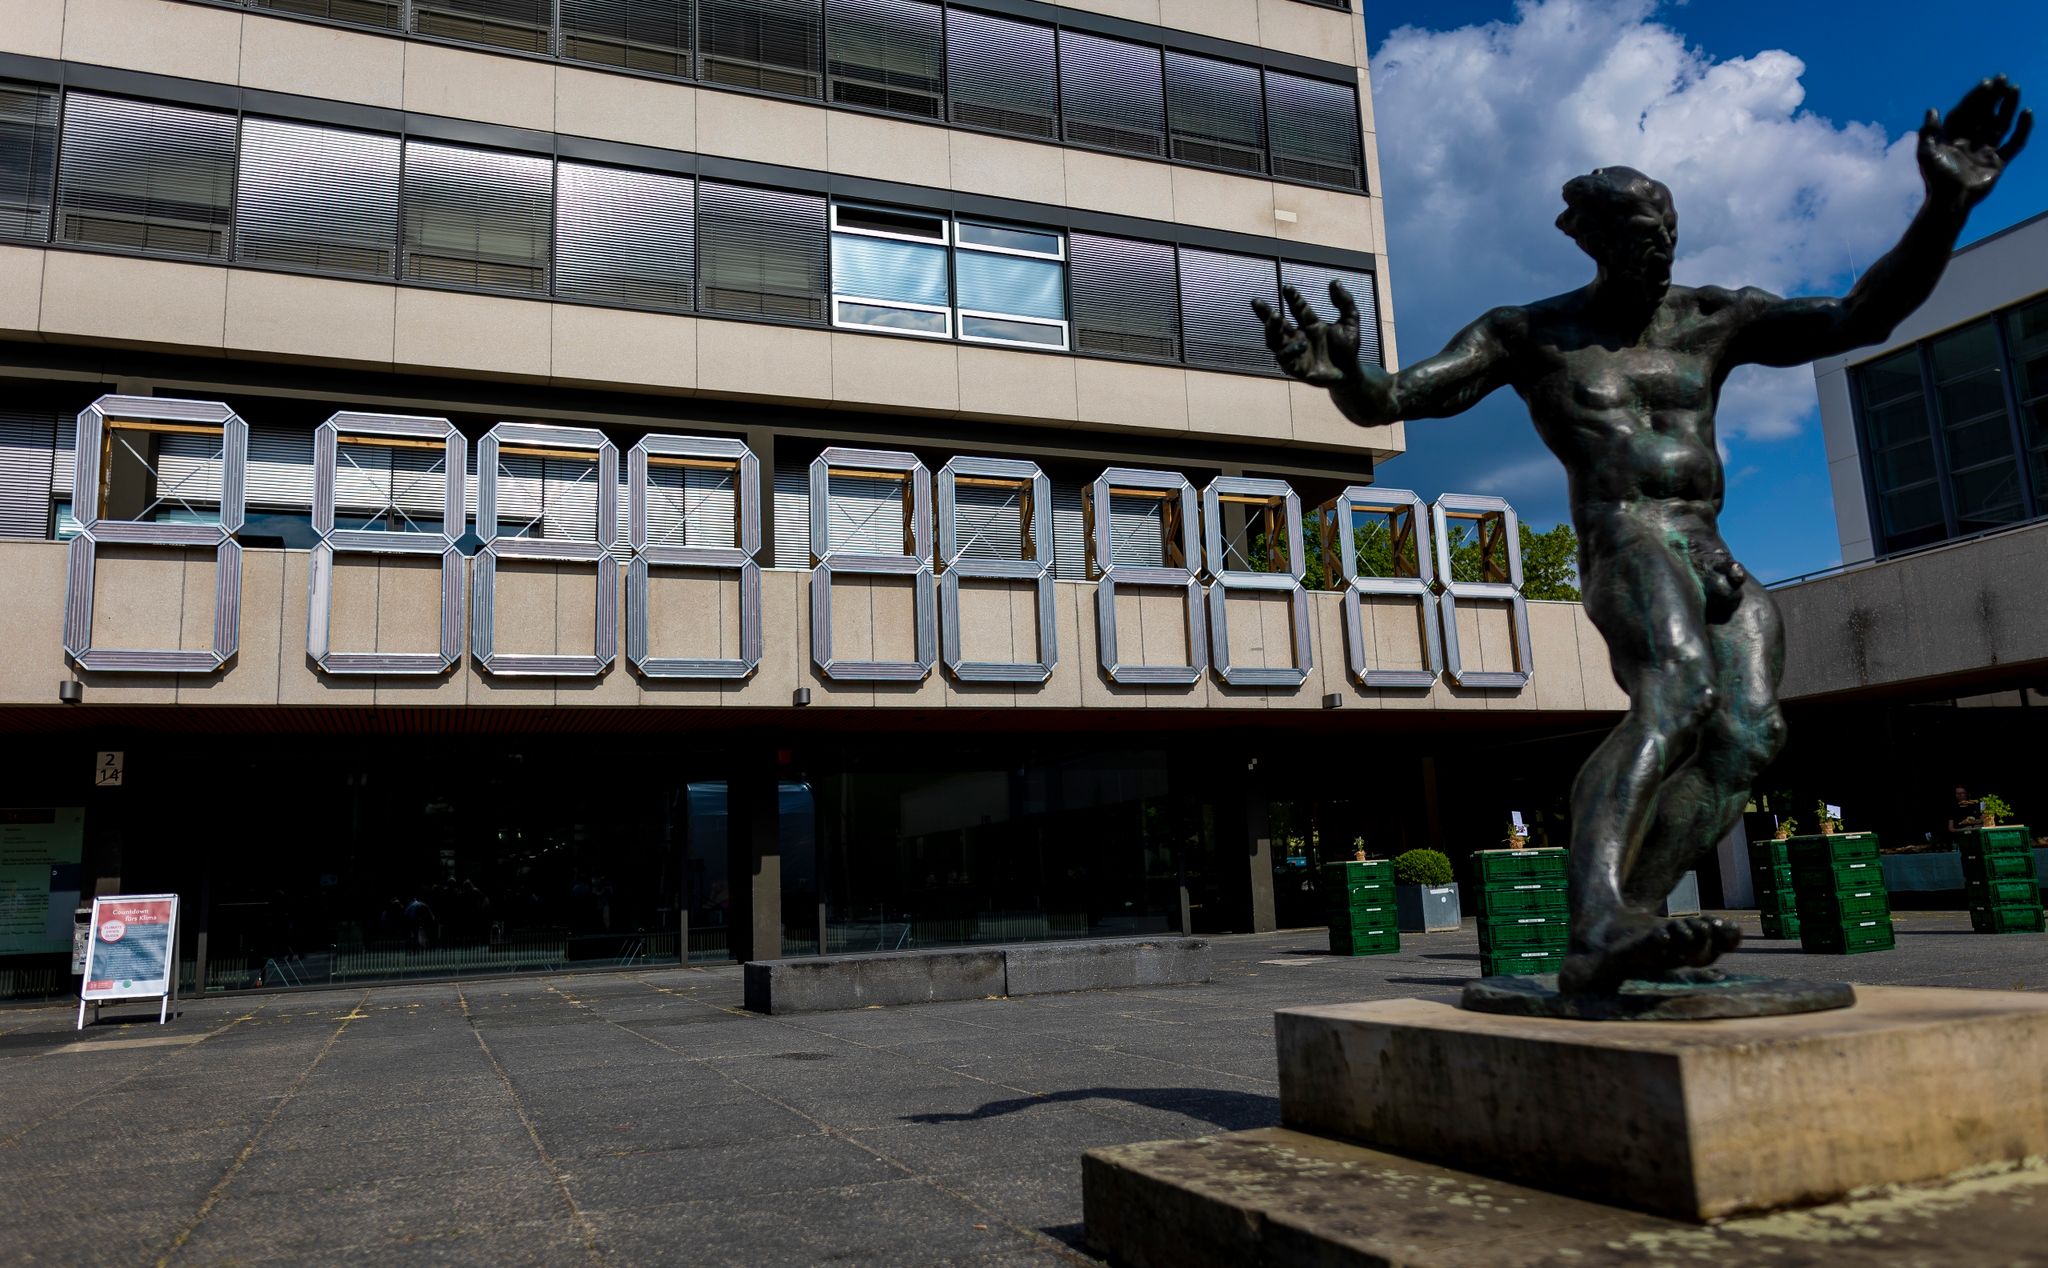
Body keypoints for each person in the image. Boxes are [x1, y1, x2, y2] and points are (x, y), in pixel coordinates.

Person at [1256, 79, 2029, 994]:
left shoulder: (1715, 320)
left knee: (1749, 734)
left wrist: (1942, 207)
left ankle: (1636, 919)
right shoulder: (1529, 333)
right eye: (1634, 240)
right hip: (1627, 540)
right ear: (1588, 241)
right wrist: (1345, 372)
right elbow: (1395, 398)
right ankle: (1597, 920)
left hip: (1713, 548)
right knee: (1678, 698)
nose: (1656, 254)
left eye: (1666, 237)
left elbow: (1861, 318)